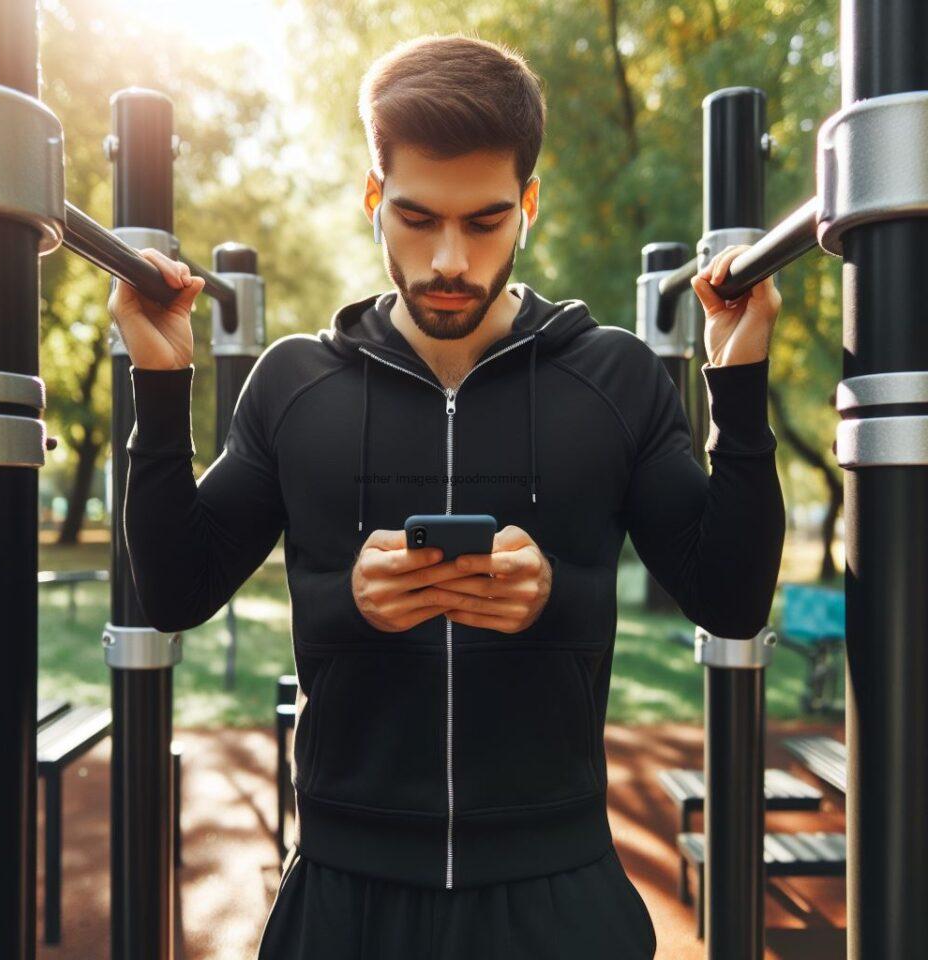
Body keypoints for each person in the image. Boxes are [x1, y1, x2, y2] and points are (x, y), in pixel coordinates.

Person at [110, 33, 785, 960]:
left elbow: (733, 598)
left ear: (529, 206)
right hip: (346, 895)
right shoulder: (293, 384)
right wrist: (159, 386)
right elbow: (174, 593)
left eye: (485, 221)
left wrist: (737, 388)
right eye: (418, 218)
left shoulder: (615, 377)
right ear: (373, 199)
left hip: (560, 888)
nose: (450, 261)